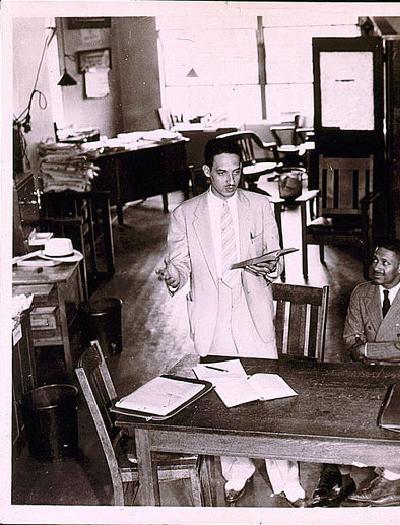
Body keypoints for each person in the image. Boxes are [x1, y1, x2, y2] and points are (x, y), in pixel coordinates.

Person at [156, 138, 306, 507]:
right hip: (211, 315)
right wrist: (174, 276)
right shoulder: (185, 214)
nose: (231, 180)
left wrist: (272, 265)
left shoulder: (259, 205)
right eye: (222, 173)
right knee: (225, 394)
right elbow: (179, 262)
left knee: (270, 393)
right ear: (207, 172)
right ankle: (236, 472)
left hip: (252, 309)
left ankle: (286, 477)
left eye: (237, 172)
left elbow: (276, 256)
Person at [310, 239, 400, 507]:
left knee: (395, 419)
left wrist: (367, 350)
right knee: (336, 411)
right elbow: (350, 341)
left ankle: (392, 481)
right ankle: (341, 474)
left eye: (385, 263)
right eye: (375, 260)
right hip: (363, 373)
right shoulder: (361, 293)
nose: (376, 267)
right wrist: (366, 351)